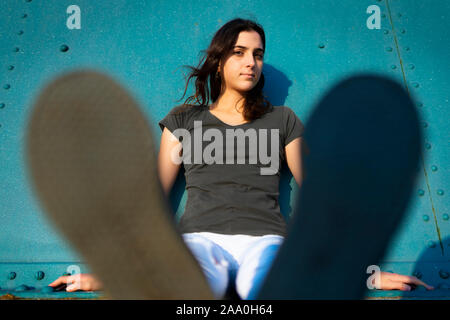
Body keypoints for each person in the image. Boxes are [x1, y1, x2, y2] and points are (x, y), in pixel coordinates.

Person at [44, 18, 433, 298]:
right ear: (218, 61)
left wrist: (362, 273)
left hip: (266, 240)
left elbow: (319, 202)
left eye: (258, 55)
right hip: (198, 240)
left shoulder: (282, 120)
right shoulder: (184, 119)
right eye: (240, 52)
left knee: (264, 290)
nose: (251, 62)